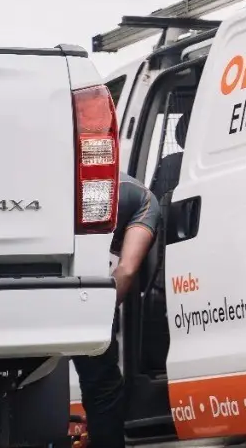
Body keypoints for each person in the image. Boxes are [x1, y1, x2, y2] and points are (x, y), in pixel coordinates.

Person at [74, 171, 160, 448]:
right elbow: (127, 269)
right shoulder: (144, 202)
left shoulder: (131, 200)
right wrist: (102, 314)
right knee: (102, 384)